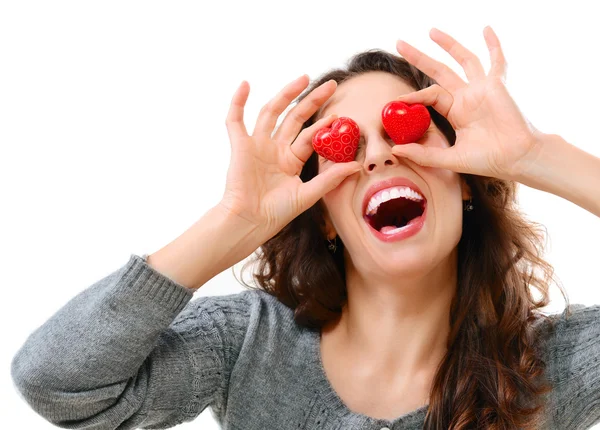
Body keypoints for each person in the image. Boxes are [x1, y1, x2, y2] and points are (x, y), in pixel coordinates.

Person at [10, 26, 600, 430]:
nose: (377, 158)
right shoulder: (249, 344)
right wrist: (233, 221)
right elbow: (59, 383)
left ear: (465, 180)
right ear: (322, 217)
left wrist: (537, 155)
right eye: (344, 148)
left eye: (407, 130)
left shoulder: (543, 369)